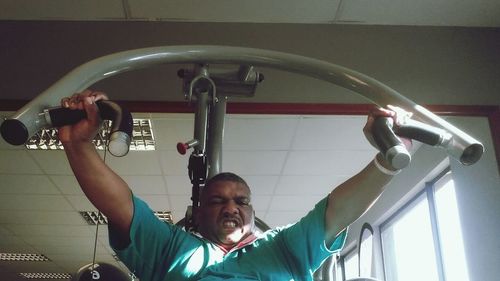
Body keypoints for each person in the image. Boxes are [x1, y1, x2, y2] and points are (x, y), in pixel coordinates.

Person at [58, 90, 411, 281]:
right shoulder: (171, 249)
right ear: (197, 211)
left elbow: (338, 212)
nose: (231, 207)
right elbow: (120, 204)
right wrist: (78, 145)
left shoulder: (285, 247)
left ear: (252, 211)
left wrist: (388, 161)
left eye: (241, 201)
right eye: (217, 201)